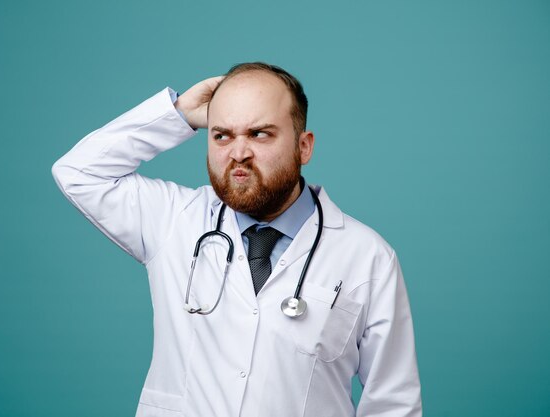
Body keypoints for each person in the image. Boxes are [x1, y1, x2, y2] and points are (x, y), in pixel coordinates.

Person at [52, 62, 422, 417]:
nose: (238, 153)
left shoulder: (367, 257)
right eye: (222, 135)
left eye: (260, 133)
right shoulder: (173, 220)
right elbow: (78, 172)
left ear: (304, 147)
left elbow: (393, 404)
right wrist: (178, 113)